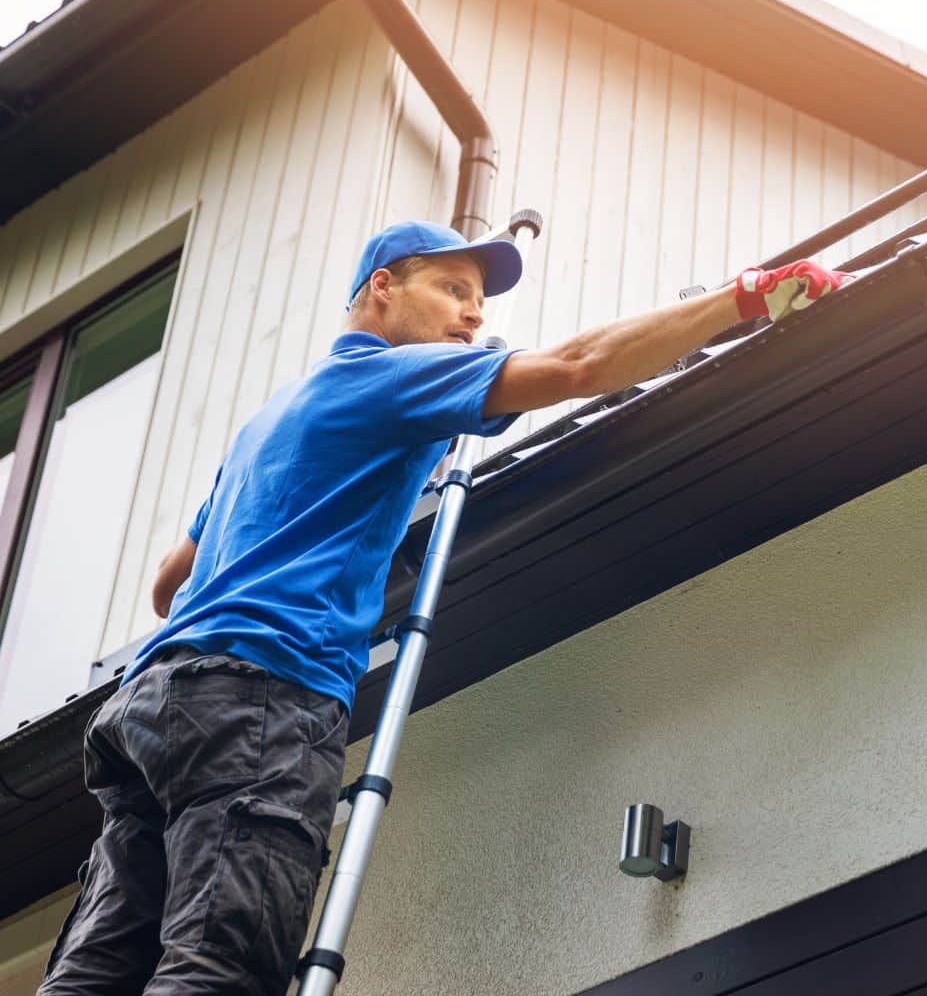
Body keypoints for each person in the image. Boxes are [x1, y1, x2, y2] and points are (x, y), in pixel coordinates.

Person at [38, 220, 845, 995]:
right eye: (453, 288)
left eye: (481, 303)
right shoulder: (387, 378)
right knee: (221, 962)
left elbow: (167, 584)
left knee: (96, 972)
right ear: (381, 290)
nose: (472, 313)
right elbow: (576, 364)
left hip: (150, 707)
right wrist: (745, 295)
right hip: (259, 701)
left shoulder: (268, 423)